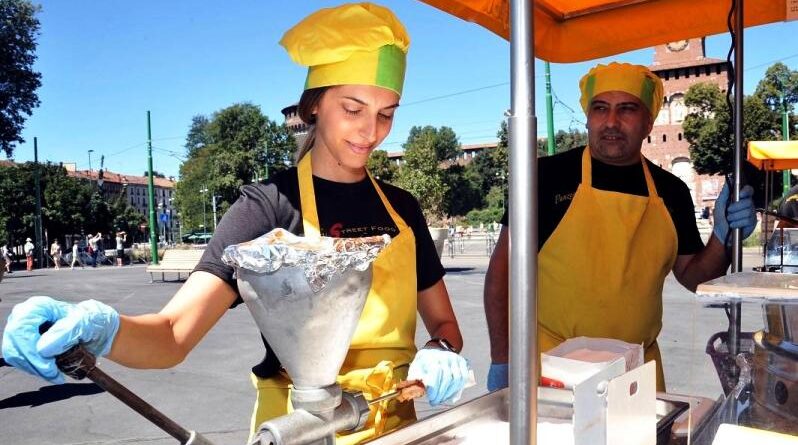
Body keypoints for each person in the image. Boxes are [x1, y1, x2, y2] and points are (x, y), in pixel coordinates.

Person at [2, 4, 469, 445]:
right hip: (297, 428)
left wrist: (441, 350)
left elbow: (444, 321)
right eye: (353, 109)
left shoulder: (402, 210)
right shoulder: (266, 207)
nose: (371, 131)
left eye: (386, 114)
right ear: (314, 107)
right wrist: (100, 327)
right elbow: (172, 334)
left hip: (396, 428)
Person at [483, 62, 757, 392]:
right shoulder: (544, 175)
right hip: (552, 370)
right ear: (588, 116)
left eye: (627, 109)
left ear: (648, 122)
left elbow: (696, 277)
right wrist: (502, 361)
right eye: (600, 108)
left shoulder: (671, 191)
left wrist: (723, 236)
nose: (611, 122)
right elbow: (502, 273)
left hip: (637, 374)